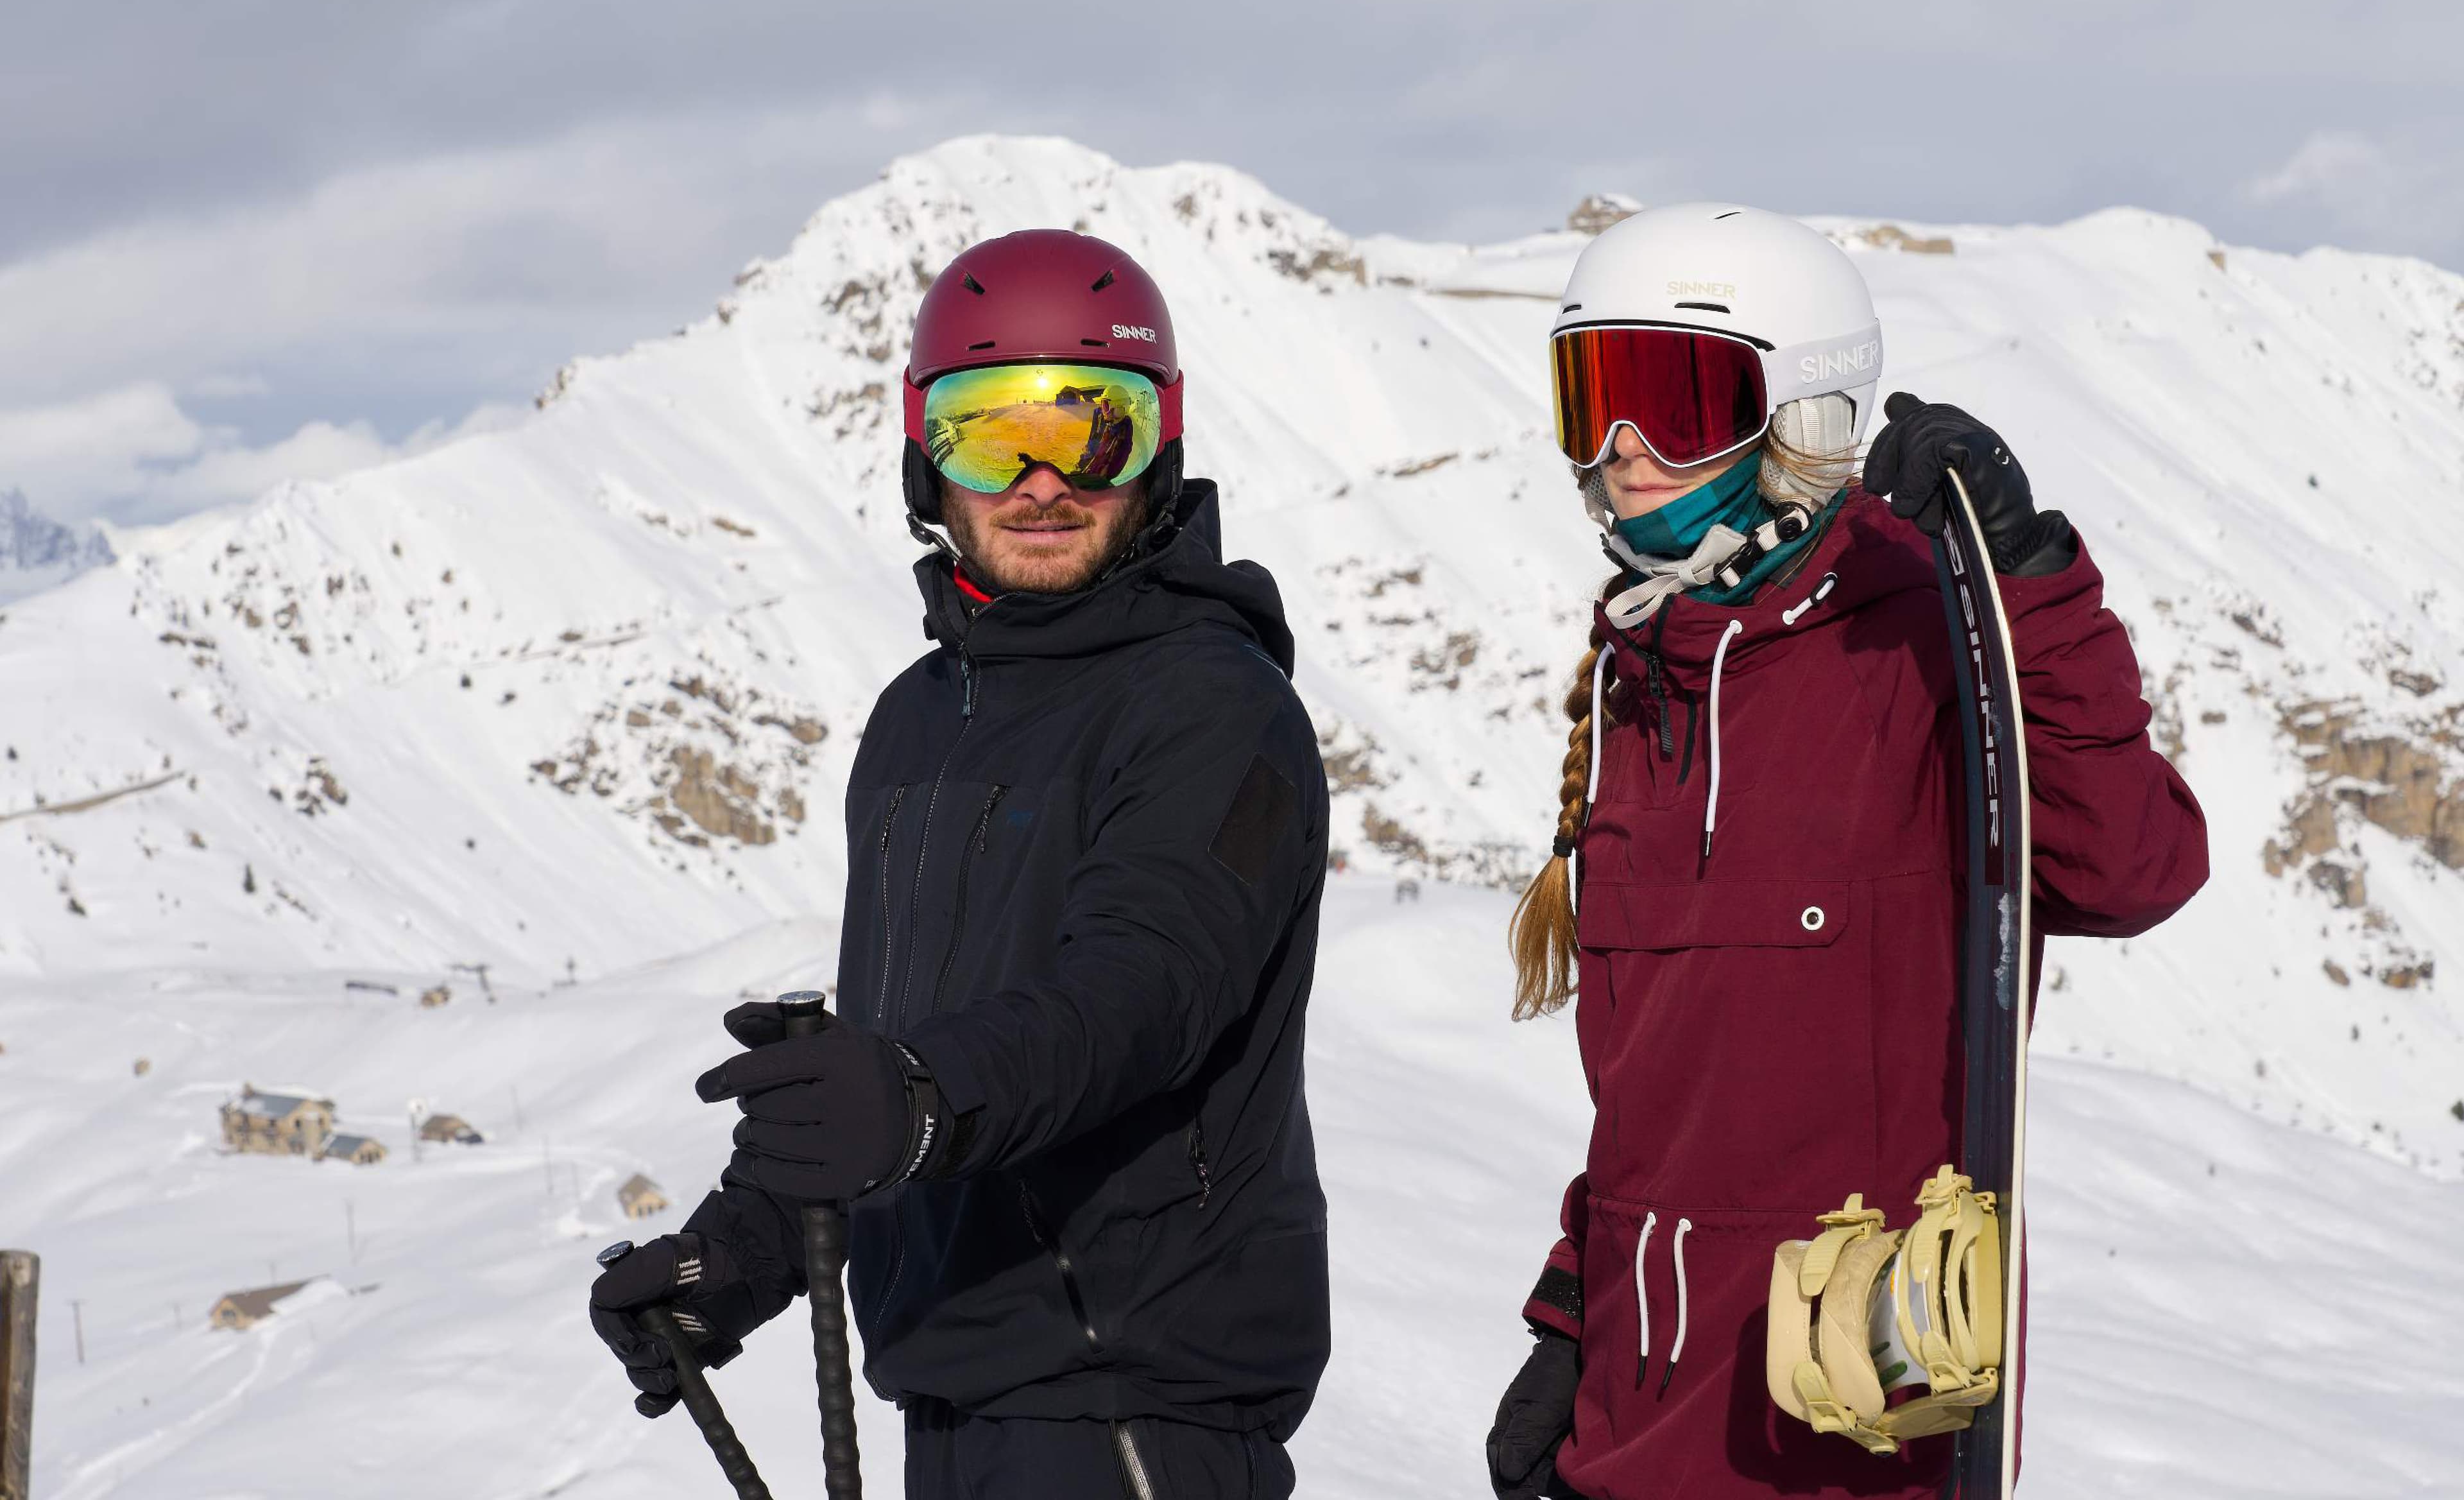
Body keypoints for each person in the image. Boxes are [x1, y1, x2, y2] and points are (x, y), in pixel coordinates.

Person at [591, 230, 1331, 1499]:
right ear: (924, 455)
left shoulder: (1216, 706)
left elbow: (1142, 992)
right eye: (990, 433)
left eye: (1095, 431)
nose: (1043, 480)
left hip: (1133, 1417)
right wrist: (737, 1259)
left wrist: (918, 1094)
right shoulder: (920, 716)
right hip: (951, 1414)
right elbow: (886, 1064)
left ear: (1162, 446)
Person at [1484, 205, 2209, 1500]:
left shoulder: (1924, 632)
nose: (1623, 449)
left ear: (1799, 410)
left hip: (1855, 1421)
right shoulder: (1646, 667)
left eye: (1673, 399)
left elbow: (2132, 864)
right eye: (1593, 396)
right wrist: (1568, 1320)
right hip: (1632, 1424)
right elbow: (1656, 1093)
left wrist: (2026, 582)